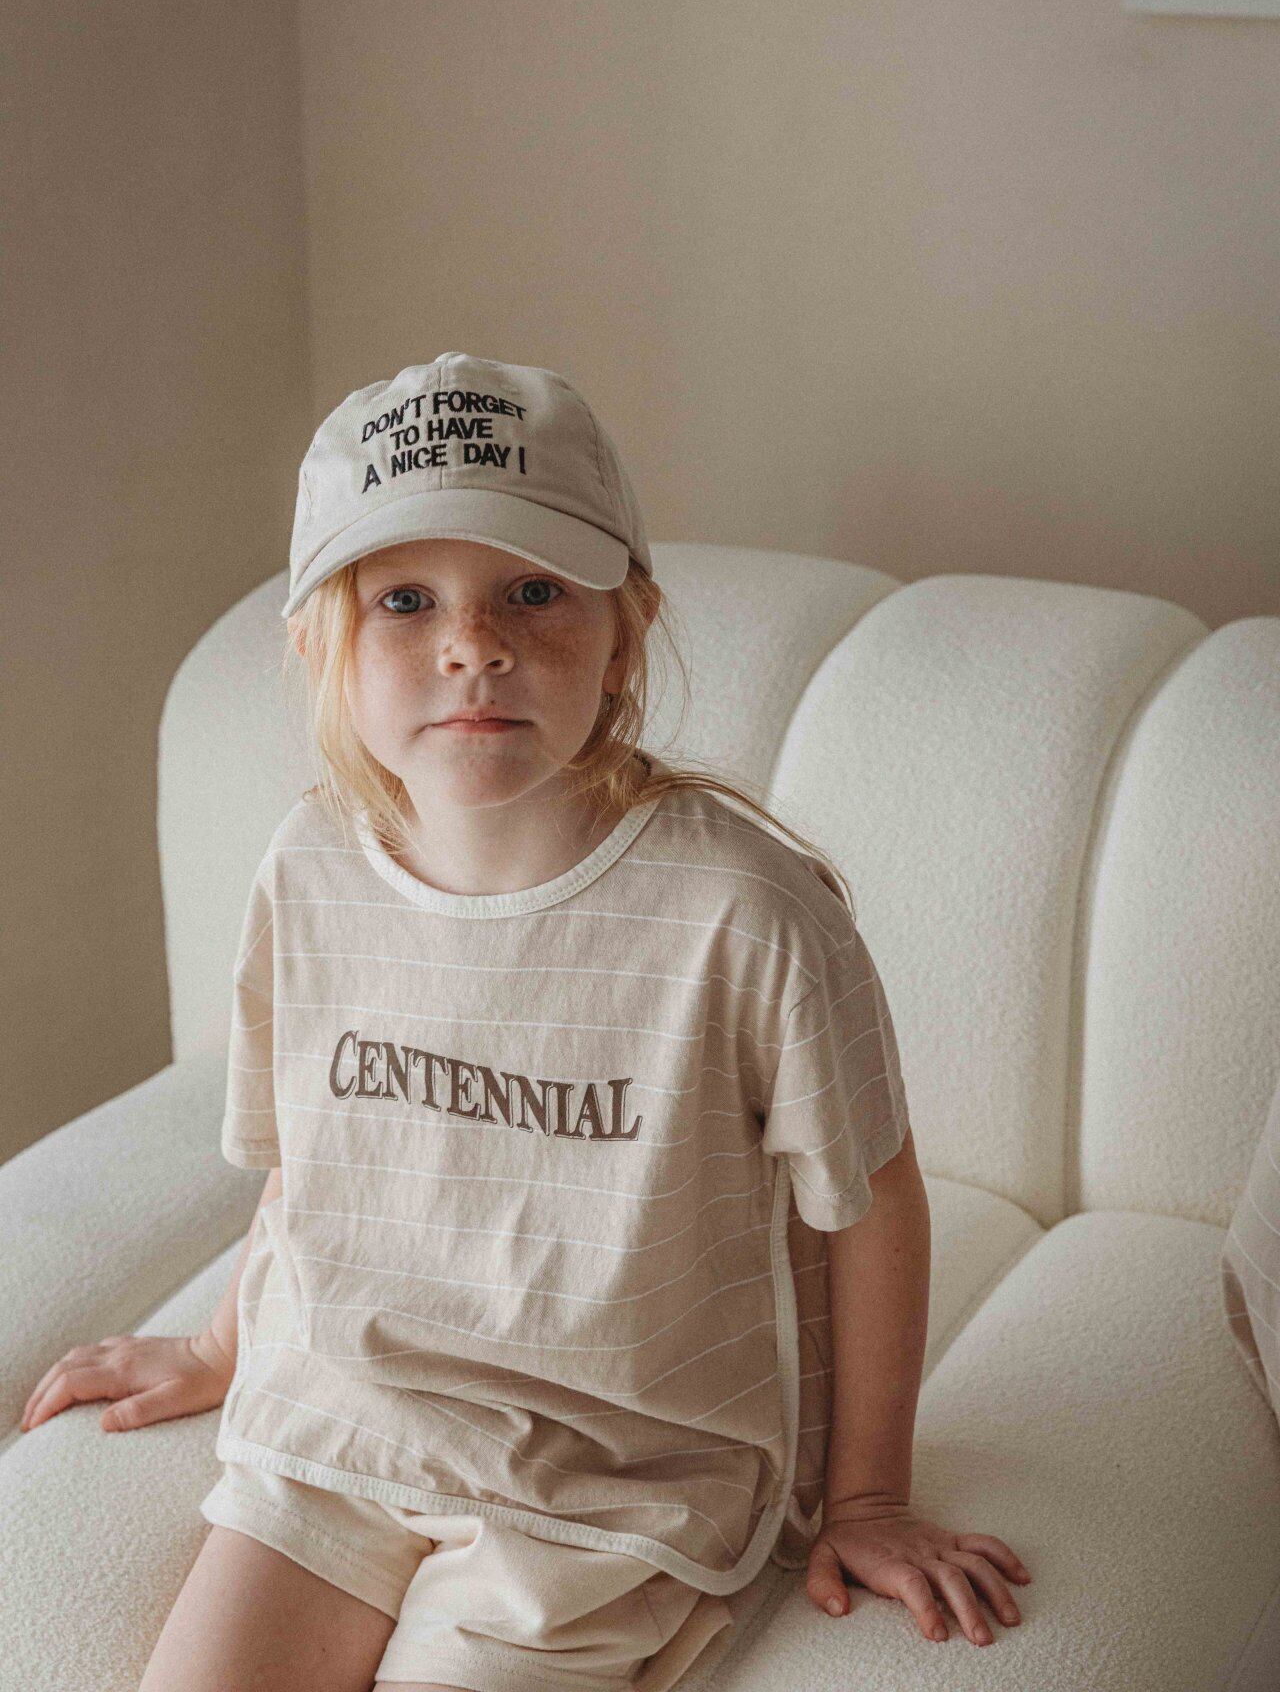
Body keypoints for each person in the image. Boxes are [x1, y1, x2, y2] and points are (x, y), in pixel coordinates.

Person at [21, 353, 1032, 1690]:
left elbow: (874, 1193)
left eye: (534, 591)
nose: (473, 644)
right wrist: (220, 1348)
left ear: (625, 634)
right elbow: (315, 1164)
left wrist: (868, 1501)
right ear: (320, 645)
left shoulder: (746, 912)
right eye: (406, 600)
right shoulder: (308, 868)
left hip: (612, 1480)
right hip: (341, 1426)